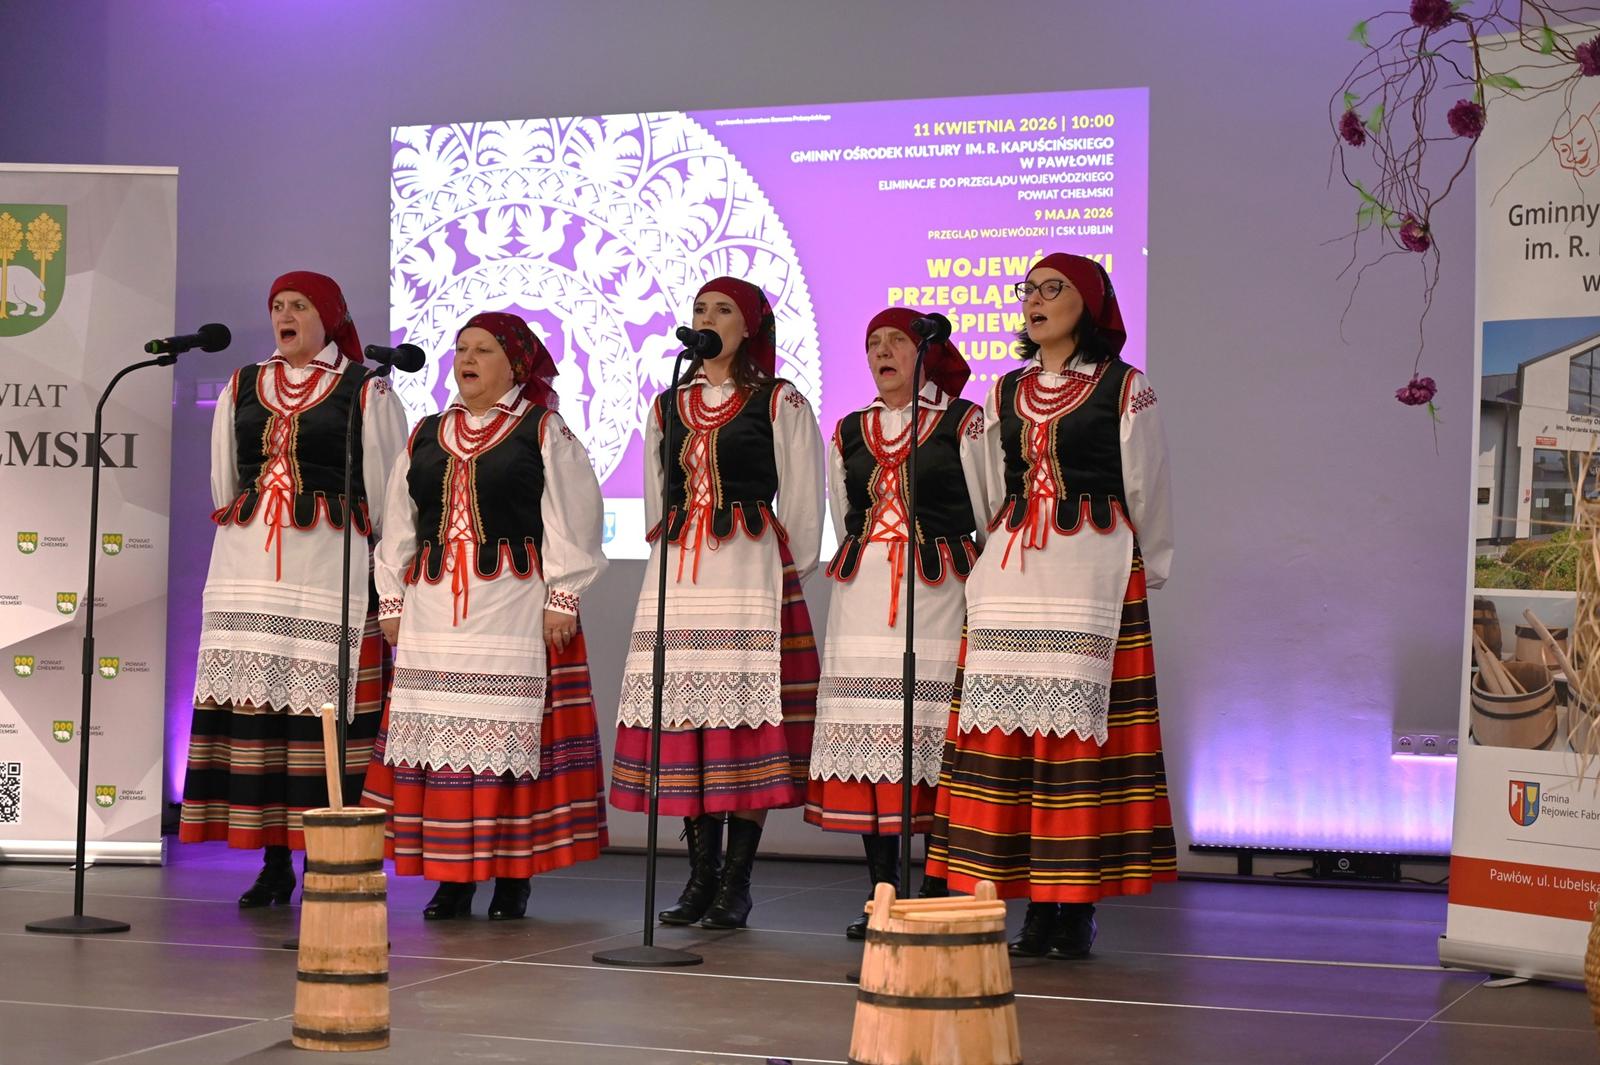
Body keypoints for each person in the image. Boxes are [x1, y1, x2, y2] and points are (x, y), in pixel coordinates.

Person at [924, 253, 1176, 960]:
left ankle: (1074, 905)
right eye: (1028, 290)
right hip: (1013, 575)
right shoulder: (1004, 391)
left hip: (1088, 569)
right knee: (1010, 741)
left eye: (1051, 289)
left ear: (1088, 303)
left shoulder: (1125, 387)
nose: (1034, 300)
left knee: (1074, 743)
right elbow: (988, 489)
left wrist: (1144, 564)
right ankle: (1033, 905)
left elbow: (1146, 484)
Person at [361, 313, 610, 920]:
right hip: (433, 610)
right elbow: (399, 523)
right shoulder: (426, 433)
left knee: (510, 742)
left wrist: (563, 597)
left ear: (515, 364)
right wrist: (390, 600)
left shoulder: (542, 429)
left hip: (511, 606)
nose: (467, 359)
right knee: (438, 741)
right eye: (461, 349)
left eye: (484, 350)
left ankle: (511, 875)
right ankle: (453, 877)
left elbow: (573, 517)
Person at [180, 271, 407, 907]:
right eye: (277, 305)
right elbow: (226, 483)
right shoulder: (243, 385)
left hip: (328, 574)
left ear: (327, 316)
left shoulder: (366, 389)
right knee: (264, 726)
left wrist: (385, 576)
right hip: (250, 575)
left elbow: (391, 497)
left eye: (299, 305)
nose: (285, 315)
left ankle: (325, 861)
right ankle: (274, 861)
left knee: (323, 726)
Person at [610, 276, 825, 930]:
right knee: (688, 724)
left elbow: (803, 498)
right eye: (700, 308)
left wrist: (782, 568)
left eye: (723, 309)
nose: (707, 318)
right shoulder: (668, 404)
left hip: (747, 570)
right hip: (681, 575)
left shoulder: (779, 400)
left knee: (742, 722)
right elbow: (656, 494)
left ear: (749, 326)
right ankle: (700, 874)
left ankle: (737, 880)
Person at [803, 308, 986, 938]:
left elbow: (987, 508)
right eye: (873, 343)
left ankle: (933, 889)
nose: (882, 352)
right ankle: (882, 889)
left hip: (938, 590)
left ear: (925, 353)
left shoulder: (965, 423)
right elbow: (842, 511)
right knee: (870, 738)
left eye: (896, 342)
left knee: (931, 731)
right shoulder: (850, 430)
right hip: (863, 595)